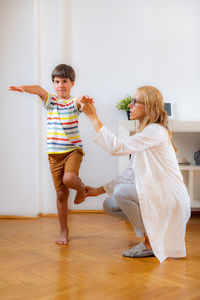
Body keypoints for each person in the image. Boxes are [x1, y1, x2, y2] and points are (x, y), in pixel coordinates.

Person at [81, 86, 191, 263]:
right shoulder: (146, 132)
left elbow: (118, 147)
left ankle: (149, 243)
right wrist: (97, 190)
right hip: (160, 195)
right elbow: (129, 173)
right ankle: (152, 236)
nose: (130, 106)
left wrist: (93, 117)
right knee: (110, 204)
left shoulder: (155, 131)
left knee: (121, 192)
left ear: (147, 106)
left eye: (134, 102)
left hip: (170, 198)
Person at [9, 64, 92, 245]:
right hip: (54, 154)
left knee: (69, 179)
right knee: (61, 194)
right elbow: (39, 89)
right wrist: (23, 89)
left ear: (72, 83)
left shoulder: (73, 102)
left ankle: (81, 188)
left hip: (73, 150)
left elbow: (80, 103)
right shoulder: (51, 102)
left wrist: (84, 101)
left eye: (64, 81)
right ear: (53, 83)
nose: (60, 85)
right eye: (56, 81)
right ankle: (64, 230)